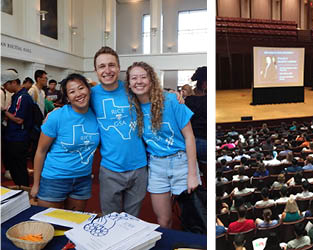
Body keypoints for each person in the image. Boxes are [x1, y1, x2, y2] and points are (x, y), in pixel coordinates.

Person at [126, 61, 200, 228]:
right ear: (129, 84)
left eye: (143, 77)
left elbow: (189, 137)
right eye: (134, 78)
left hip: (182, 163)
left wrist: (192, 174)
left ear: (151, 80)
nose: (139, 81)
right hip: (156, 166)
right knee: (163, 220)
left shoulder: (172, 100)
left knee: (192, 221)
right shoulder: (131, 107)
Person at [89, 46, 149, 216]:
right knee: (110, 219)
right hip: (110, 169)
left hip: (139, 168)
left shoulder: (132, 89)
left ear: (119, 67)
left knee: (132, 220)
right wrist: (55, 112)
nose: (107, 70)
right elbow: (73, 109)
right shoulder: (90, 94)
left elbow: (156, 97)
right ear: (96, 70)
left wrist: (175, 94)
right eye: (102, 66)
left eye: (111, 65)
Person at [30, 74, 99, 211]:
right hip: (54, 179)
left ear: (89, 90)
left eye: (81, 88)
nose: (78, 94)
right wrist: (36, 184)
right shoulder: (57, 116)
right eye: (72, 92)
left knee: (73, 225)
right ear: (67, 97)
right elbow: (41, 151)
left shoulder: (97, 115)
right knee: (48, 225)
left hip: (82, 180)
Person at [2, 69, 34, 188]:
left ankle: (24, 193)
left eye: (6, 85)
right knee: (15, 167)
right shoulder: (16, 96)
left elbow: (19, 119)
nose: (5, 88)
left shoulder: (23, 97)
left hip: (19, 138)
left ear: (14, 82)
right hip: (13, 137)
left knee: (19, 168)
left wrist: (4, 112)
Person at [184, 67, 206, 173]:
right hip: (202, 140)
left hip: (192, 140)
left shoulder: (188, 101)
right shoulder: (206, 100)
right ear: (204, 84)